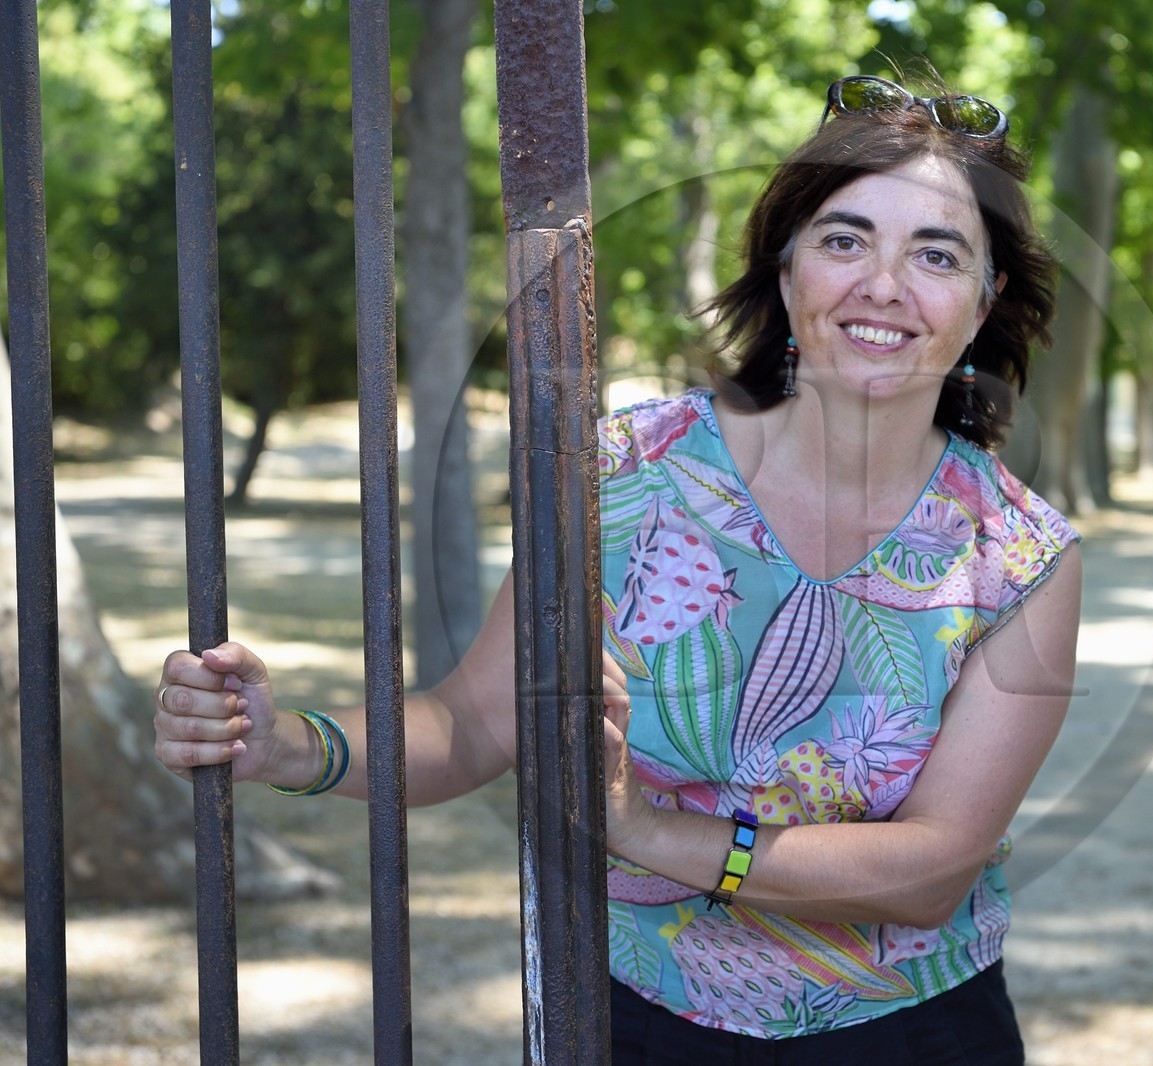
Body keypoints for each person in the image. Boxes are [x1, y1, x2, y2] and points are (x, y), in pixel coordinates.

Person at [153, 73, 1081, 1063]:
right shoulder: (623, 471)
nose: (883, 285)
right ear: (785, 272)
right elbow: (473, 723)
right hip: (632, 1017)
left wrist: (641, 830)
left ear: (984, 303)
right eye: (844, 240)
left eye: (936, 254)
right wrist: (289, 744)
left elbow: (929, 871)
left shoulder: (1021, 554)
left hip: (911, 1033)